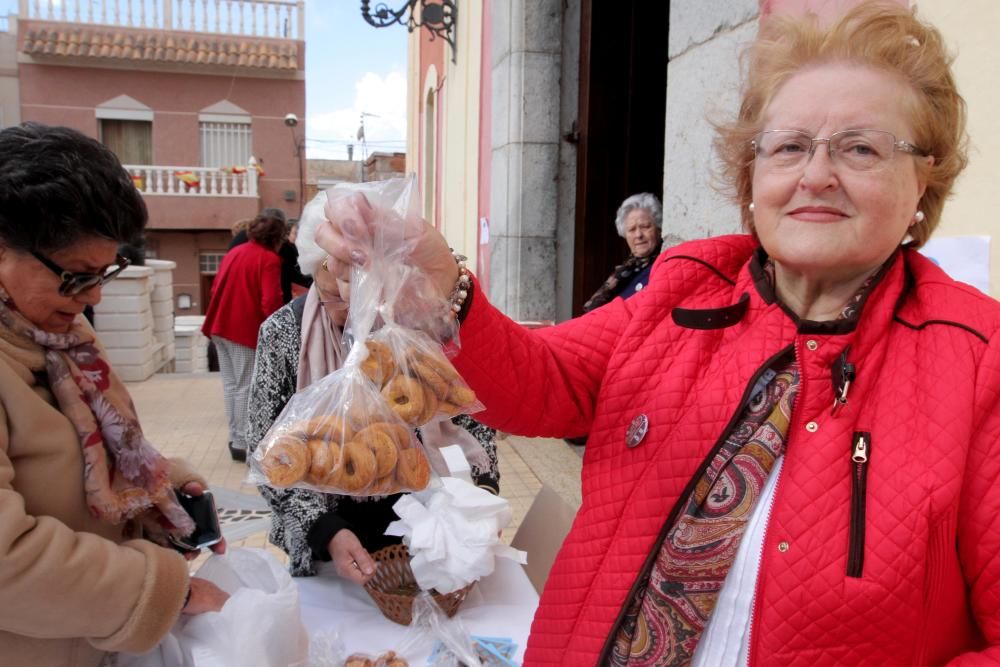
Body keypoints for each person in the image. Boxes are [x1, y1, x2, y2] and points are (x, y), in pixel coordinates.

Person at [317, 4, 1000, 664]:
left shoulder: (979, 361)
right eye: (789, 146)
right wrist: (447, 293)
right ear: (752, 175)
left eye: (861, 147)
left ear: (922, 181)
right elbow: (541, 381)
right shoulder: (683, 290)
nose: (816, 175)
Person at [0, 123, 228, 666]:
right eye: (76, 276)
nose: (95, 294)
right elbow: (8, 561)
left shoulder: (62, 338)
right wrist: (168, 590)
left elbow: (87, 453)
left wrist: (155, 485)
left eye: (104, 272)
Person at [246, 193, 500, 582]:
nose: (350, 308)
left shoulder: (413, 331)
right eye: (335, 294)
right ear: (314, 275)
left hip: (425, 526)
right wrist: (324, 531)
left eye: (362, 292)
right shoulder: (283, 333)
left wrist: (479, 500)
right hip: (327, 542)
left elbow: (467, 415)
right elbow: (266, 451)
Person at [202, 208, 285, 461]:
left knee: (231, 385)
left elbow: (215, 286)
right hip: (243, 329)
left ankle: (235, 437)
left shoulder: (235, 252)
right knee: (245, 387)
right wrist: (279, 332)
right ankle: (242, 443)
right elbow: (270, 301)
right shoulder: (269, 259)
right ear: (277, 235)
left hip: (220, 325)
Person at [582, 192, 664, 313]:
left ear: (658, 228)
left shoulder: (662, 266)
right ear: (624, 235)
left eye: (645, 226)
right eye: (631, 229)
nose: (638, 235)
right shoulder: (626, 271)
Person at [278, 218, 314, 304]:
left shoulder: (303, 249)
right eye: (295, 233)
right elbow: (296, 274)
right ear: (287, 235)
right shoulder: (288, 250)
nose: (299, 237)